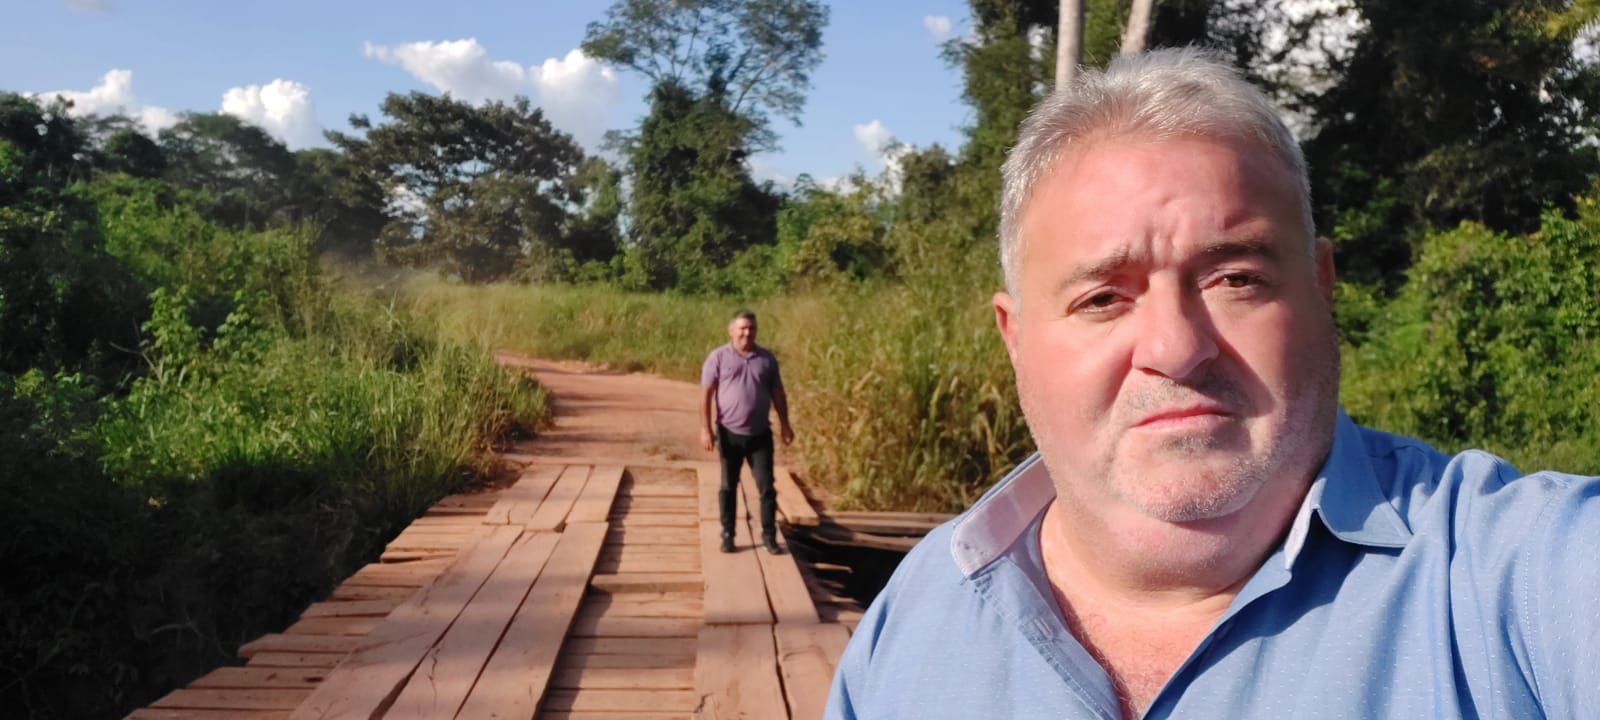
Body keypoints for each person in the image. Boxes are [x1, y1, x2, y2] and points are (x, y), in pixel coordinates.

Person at [826, 48, 1599, 720]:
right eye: (1103, 298)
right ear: (1016, 338)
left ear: (1322, 287)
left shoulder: (1516, 579)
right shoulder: (914, 618)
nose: (1177, 349)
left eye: (1236, 278)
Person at [701, 309, 795, 554]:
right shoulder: (718, 357)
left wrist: (785, 424)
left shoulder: (766, 359)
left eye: (751, 328)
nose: (747, 333)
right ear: (731, 331)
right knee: (728, 486)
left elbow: (778, 393)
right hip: (729, 433)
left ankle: (769, 536)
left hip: (760, 434)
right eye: (742, 328)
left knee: (766, 487)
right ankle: (728, 534)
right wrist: (706, 429)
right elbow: (706, 394)